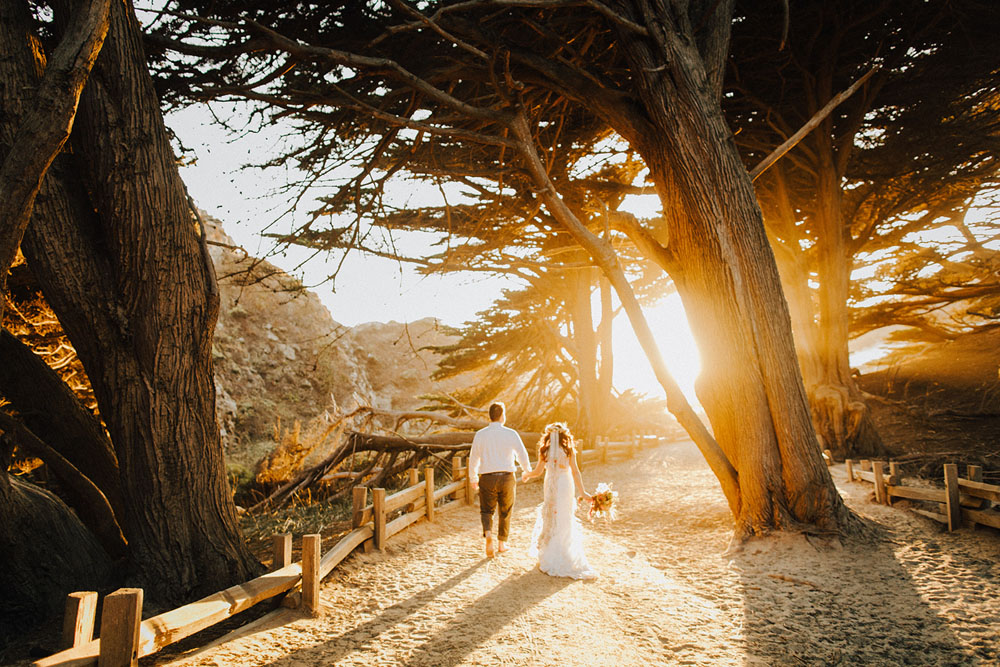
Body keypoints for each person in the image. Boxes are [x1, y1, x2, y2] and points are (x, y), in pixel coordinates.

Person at [521, 423, 597, 580]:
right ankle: (564, 552)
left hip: (550, 484)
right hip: (565, 484)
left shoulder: (546, 451)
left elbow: (538, 471)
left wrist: (526, 475)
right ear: (564, 436)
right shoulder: (568, 451)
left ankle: (550, 553)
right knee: (564, 517)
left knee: (551, 516)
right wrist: (583, 492)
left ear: (549, 436)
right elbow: (575, 472)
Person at [469, 402, 532, 558]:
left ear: (490, 416)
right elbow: (521, 454)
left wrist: (473, 477)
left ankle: (488, 533)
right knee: (505, 510)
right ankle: (502, 543)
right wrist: (526, 471)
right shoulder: (511, 434)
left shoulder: (481, 434)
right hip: (507, 477)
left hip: (487, 478)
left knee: (486, 510)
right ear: (502, 415)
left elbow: (474, 458)